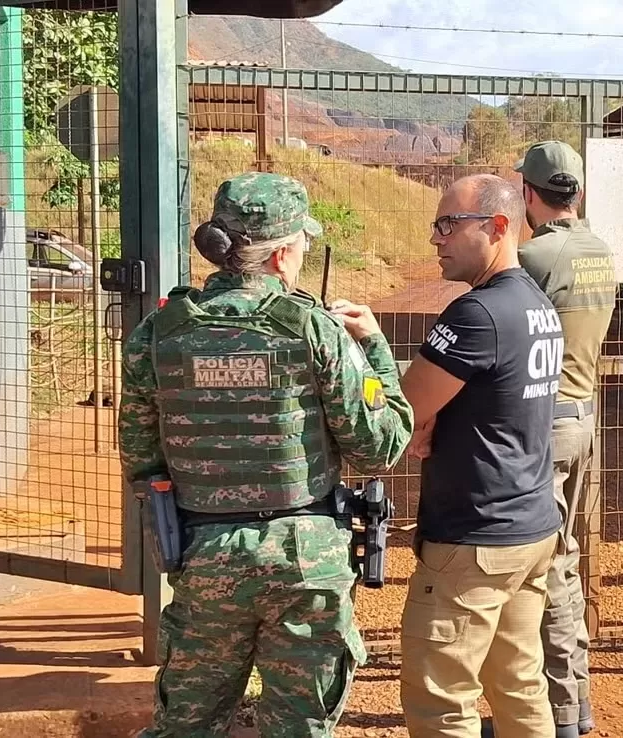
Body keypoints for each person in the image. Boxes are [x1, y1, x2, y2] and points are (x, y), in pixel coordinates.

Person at [119, 171, 414, 738]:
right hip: (306, 559)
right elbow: (380, 444)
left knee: (187, 723)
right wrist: (374, 347)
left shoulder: (158, 334)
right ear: (282, 255)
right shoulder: (315, 330)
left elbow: (140, 455)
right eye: (302, 241)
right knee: (299, 725)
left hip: (203, 553)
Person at [398, 173, 564, 738]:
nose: (436, 238)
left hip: (474, 542)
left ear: (496, 227)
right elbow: (493, 396)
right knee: (519, 686)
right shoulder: (536, 304)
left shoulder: (476, 315)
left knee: (441, 701)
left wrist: (375, 350)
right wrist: (436, 416)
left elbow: (403, 404)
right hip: (529, 529)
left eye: (448, 224)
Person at [514, 140, 618, 736]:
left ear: (530, 193)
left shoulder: (535, 257)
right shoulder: (598, 249)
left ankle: (558, 716)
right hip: (583, 416)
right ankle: (573, 705)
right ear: (575, 190)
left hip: (543, 424)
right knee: (565, 559)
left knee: (548, 568)